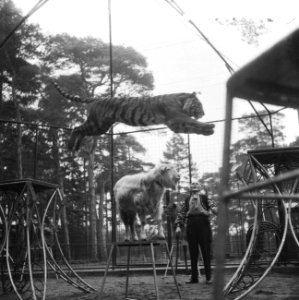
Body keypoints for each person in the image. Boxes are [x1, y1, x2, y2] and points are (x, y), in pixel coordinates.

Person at [175, 182, 217, 284]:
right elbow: (181, 213)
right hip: (191, 224)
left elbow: (215, 209)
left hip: (203, 224)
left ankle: (208, 277)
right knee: (193, 253)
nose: (194, 187)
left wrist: (211, 212)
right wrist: (178, 226)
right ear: (190, 188)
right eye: (192, 186)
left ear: (199, 187)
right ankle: (194, 278)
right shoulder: (186, 199)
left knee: (206, 251)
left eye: (196, 185)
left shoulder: (205, 198)